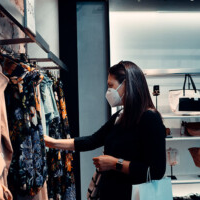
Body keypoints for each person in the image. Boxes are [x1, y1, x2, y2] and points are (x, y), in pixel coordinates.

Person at [44, 61, 166, 200]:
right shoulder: (121, 116)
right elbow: (92, 140)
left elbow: (156, 171)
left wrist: (115, 163)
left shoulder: (150, 118)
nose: (108, 91)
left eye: (111, 86)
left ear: (126, 84)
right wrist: (53, 143)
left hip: (134, 195)